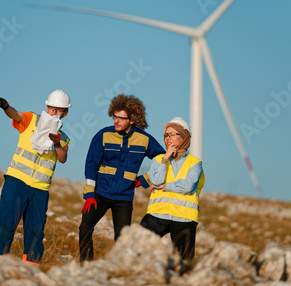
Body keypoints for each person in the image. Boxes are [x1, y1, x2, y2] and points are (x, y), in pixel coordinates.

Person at [0, 89, 71, 266]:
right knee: (6, 225)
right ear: (46, 107)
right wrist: (5, 106)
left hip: (40, 190)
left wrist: (56, 143)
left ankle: (30, 275)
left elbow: (62, 158)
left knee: (35, 234)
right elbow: (15, 114)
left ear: (65, 113)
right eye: (52, 108)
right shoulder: (31, 119)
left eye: (59, 110)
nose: (55, 113)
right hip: (17, 182)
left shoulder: (64, 138)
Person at [79, 94, 165, 262]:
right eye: (114, 116)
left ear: (132, 120)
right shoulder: (102, 136)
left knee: (122, 238)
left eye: (121, 118)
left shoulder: (144, 139)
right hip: (100, 193)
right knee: (85, 227)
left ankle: (118, 267)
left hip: (124, 197)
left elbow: (163, 158)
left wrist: (145, 180)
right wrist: (89, 194)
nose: (116, 121)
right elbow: (91, 165)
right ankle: (86, 264)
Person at [140, 117, 205, 274]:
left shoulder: (195, 163)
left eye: (173, 134)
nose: (168, 138)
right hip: (157, 214)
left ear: (184, 137)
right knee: (138, 247)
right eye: (166, 135)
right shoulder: (158, 159)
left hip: (184, 217)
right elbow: (155, 180)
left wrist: (165, 187)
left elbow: (188, 186)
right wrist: (165, 159)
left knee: (184, 262)